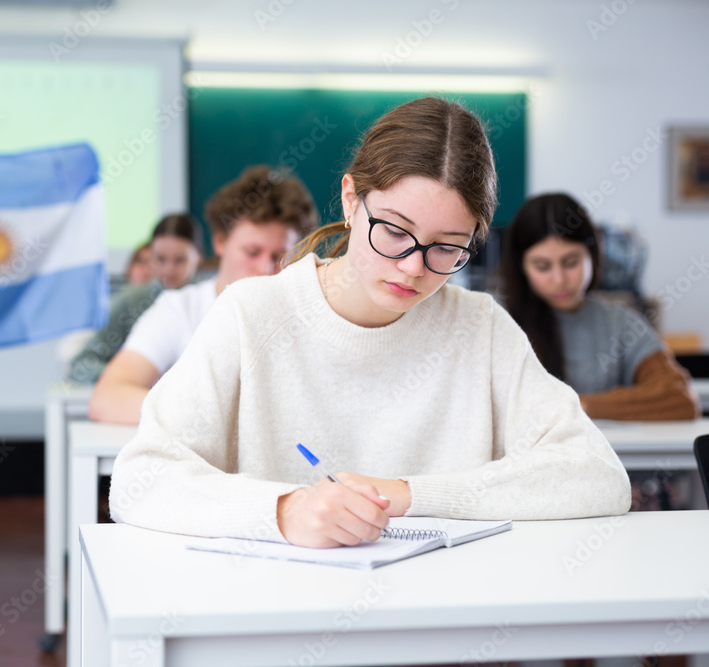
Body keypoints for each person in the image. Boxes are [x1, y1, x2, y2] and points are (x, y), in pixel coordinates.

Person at [109, 97, 631, 548]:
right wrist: (284, 510)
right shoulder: (251, 314)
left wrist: (407, 494)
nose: (413, 267)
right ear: (351, 199)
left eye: (448, 247)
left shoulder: (481, 327)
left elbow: (597, 474)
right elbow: (140, 479)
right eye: (395, 232)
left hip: (439, 626)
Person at [87, 165, 318, 424]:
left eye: (279, 256)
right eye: (252, 252)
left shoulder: (306, 315)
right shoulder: (180, 310)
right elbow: (107, 398)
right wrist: (206, 420)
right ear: (220, 242)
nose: (265, 268)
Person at [497, 192, 700, 422]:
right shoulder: (496, 320)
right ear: (521, 267)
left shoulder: (619, 322)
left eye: (571, 262)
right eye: (542, 266)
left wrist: (576, 406)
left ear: (592, 254)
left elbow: (680, 398)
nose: (559, 279)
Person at [68, 213, 203, 384]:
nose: (169, 270)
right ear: (151, 256)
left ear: (198, 257)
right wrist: (129, 378)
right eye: (161, 259)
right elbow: (82, 365)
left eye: (180, 260)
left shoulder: (213, 301)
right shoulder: (130, 302)